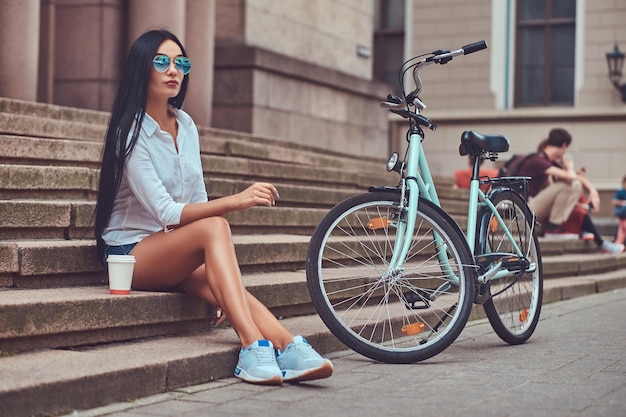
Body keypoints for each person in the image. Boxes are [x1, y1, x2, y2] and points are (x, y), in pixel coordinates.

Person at [94, 30, 333, 386]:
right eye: (162, 61)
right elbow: (166, 212)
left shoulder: (186, 125)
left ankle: (287, 345)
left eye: (181, 63)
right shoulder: (129, 132)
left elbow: (197, 198)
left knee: (230, 284)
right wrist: (238, 200)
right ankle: (252, 345)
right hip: (130, 255)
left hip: (172, 249)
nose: (173, 70)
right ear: (141, 68)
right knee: (216, 225)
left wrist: (222, 281)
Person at [517, 128, 624, 254]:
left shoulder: (548, 162)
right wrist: (570, 168)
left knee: (577, 203)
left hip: (534, 207)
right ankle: (554, 227)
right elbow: (572, 179)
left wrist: (592, 192)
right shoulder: (538, 160)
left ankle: (599, 241)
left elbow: (553, 189)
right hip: (524, 209)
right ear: (564, 145)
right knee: (572, 185)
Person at [613, 175, 626, 245]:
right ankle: (618, 243)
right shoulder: (620, 192)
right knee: (622, 228)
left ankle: (619, 244)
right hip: (621, 215)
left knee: (623, 229)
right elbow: (614, 201)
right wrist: (623, 202)